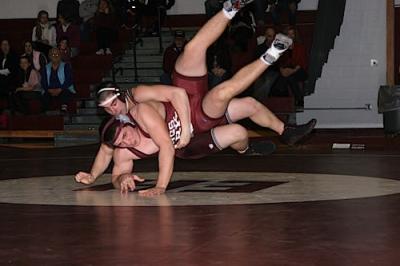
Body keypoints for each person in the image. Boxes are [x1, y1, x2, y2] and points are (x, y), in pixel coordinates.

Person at [75, 0, 317, 196]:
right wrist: (95, 176)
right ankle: (271, 55)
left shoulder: (138, 100)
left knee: (192, 50)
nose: (113, 110)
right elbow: (108, 151)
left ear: (120, 95)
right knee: (237, 115)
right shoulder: (119, 136)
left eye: (113, 104)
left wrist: (184, 132)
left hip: (187, 107)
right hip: (194, 126)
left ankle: (231, 7)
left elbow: (177, 94)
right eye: (106, 109)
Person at [274, 26, 308, 108]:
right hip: (287, 70)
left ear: (295, 35)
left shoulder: (300, 47)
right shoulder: (281, 47)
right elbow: (279, 62)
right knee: (290, 78)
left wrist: (291, 71)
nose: (290, 36)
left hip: (299, 70)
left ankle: (280, 93)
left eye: (292, 34)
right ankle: (299, 100)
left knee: (288, 77)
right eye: (288, 34)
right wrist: (282, 70)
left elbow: (302, 63)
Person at [41, 48, 75, 113]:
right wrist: (48, 89)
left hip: (63, 88)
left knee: (66, 93)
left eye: (57, 54)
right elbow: (43, 81)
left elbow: (69, 80)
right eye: (53, 54)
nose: (55, 56)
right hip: (49, 89)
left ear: (60, 56)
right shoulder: (46, 67)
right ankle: (46, 112)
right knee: (44, 96)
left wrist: (60, 89)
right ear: (49, 56)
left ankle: (63, 109)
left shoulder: (66, 66)